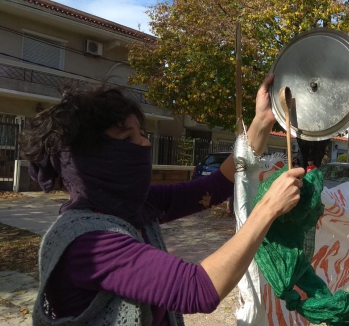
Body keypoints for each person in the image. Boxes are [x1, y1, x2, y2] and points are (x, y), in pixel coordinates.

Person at [24, 74, 306, 325]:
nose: (145, 144)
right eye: (127, 137)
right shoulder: (89, 243)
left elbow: (216, 186)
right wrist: (268, 209)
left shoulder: (137, 205)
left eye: (142, 134)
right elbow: (198, 290)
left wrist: (262, 122)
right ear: (91, 157)